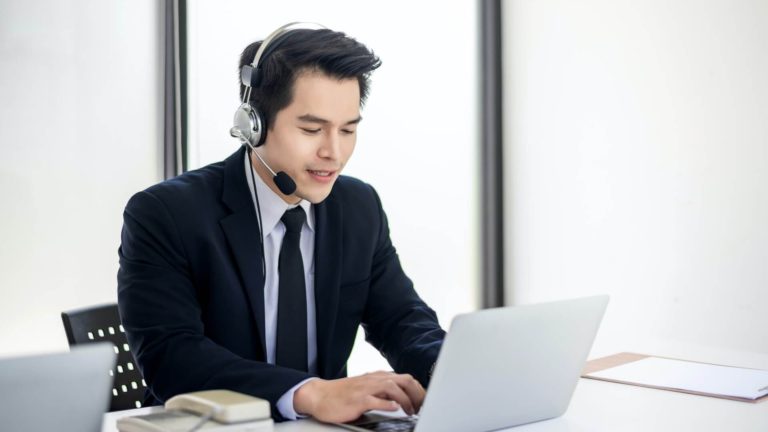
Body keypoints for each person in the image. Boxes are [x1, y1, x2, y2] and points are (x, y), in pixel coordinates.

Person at [117, 23, 445, 423]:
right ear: (252, 123)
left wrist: (448, 373)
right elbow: (173, 358)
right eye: (311, 129)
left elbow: (402, 319)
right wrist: (309, 393)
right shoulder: (167, 215)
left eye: (348, 130)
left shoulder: (359, 207)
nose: (334, 152)